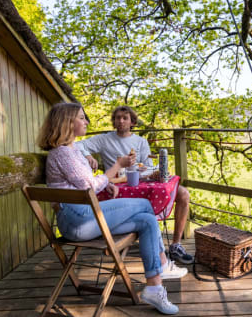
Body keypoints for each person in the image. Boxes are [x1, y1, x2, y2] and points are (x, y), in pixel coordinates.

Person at [38, 102, 185, 315]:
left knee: (147, 220)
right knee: (145, 204)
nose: (86, 121)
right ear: (67, 122)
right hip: (77, 219)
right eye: (81, 117)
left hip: (84, 216)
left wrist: (106, 182)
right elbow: (88, 185)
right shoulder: (62, 153)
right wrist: (117, 166)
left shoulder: (71, 150)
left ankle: (154, 286)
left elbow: (85, 180)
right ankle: (162, 263)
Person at [76, 105, 194, 264]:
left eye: (125, 118)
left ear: (132, 122)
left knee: (183, 193)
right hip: (117, 188)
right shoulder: (104, 139)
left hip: (141, 184)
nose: (121, 121)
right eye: (118, 118)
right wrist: (88, 156)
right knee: (146, 212)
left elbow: (149, 167)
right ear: (114, 121)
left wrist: (143, 168)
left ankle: (175, 245)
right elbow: (78, 145)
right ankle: (155, 250)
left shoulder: (140, 141)